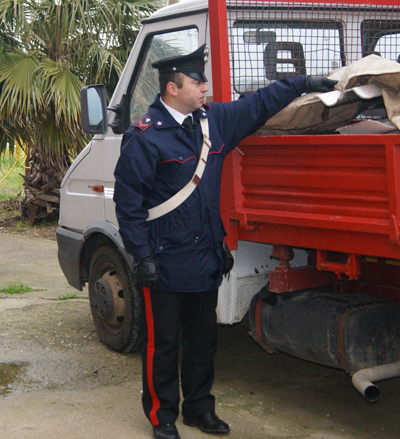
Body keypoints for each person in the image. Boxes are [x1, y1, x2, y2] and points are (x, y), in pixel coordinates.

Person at [113, 44, 336, 439]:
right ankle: (161, 417)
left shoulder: (212, 121)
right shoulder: (144, 137)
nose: (205, 88)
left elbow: (258, 104)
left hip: (204, 258)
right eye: (197, 82)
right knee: (162, 345)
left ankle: (199, 409)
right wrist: (141, 255)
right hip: (162, 261)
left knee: (203, 342)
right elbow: (128, 205)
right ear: (171, 87)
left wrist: (302, 83)